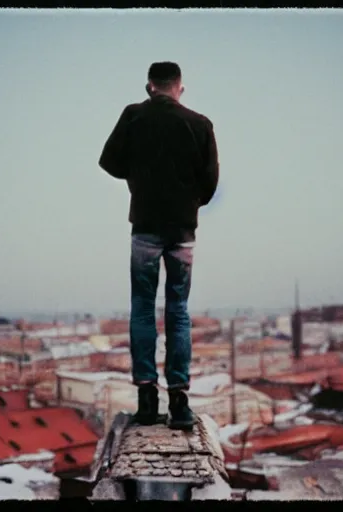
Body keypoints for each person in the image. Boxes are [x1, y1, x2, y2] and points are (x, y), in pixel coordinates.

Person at [99, 62, 219, 430]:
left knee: (142, 308)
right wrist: (187, 202)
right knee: (178, 310)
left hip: (146, 225)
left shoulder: (134, 115)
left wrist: (140, 177)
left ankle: (147, 400)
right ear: (179, 87)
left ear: (150, 87)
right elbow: (210, 182)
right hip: (182, 228)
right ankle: (179, 403)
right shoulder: (200, 124)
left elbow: (109, 162)